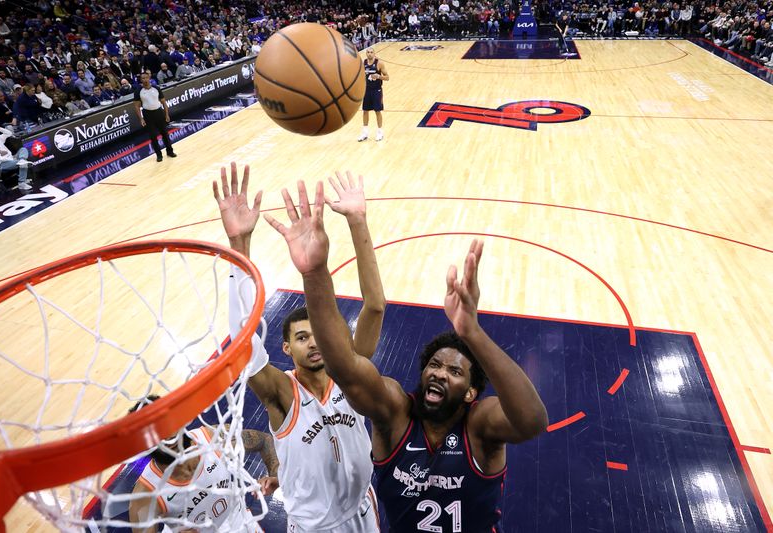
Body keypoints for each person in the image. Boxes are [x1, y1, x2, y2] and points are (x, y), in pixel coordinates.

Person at [264, 182, 549, 533]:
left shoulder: (480, 426)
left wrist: (472, 332)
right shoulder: (396, 414)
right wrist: (315, 272)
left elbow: (532, 421)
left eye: (455, 371)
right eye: (435, 365)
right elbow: (345, 368)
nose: (441, 373)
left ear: (471, 392)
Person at [213, 163, 385, 532]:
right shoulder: (282, 393)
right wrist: (239, 245)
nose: (313, 343)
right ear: (287, 349)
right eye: (302, 337)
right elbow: (244, 343)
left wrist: (357, 220)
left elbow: (375, 306)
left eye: (316, 334)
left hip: (365, 512)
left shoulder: (351, 374)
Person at [126, 395, 279, 532]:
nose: (168, 437)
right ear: (144, 445)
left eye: (167, 424)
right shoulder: (146, 494)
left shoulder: (212, 438)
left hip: (239, 523)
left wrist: (275, 475)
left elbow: (264, 441)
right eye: (156, 434)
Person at [133, 71, 176, 162]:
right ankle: (159, 155)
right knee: (153, 136)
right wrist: (141, 119)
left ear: (149, 78)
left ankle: (170, 151)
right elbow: (136, 106)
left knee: (164, 133)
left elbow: (164, 102)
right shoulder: (138, 91)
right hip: (148, 114)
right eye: (143, 78)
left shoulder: (156, 88)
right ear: (141, 80)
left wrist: (166, 114)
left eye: (146, 77)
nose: (145, 80)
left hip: (159, 112)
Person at [357, 48, 389, 142]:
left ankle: (380, 132)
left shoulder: (379, 63)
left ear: (374, 53)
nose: (370, 54)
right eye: (368, 52)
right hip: (366, 90)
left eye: (371, 52)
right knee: (365, 111)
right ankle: (365, 133)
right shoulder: (363, 63)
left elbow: (387, 77)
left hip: (376, 90)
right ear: (366, 53)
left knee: (377, 111)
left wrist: (378, 76)